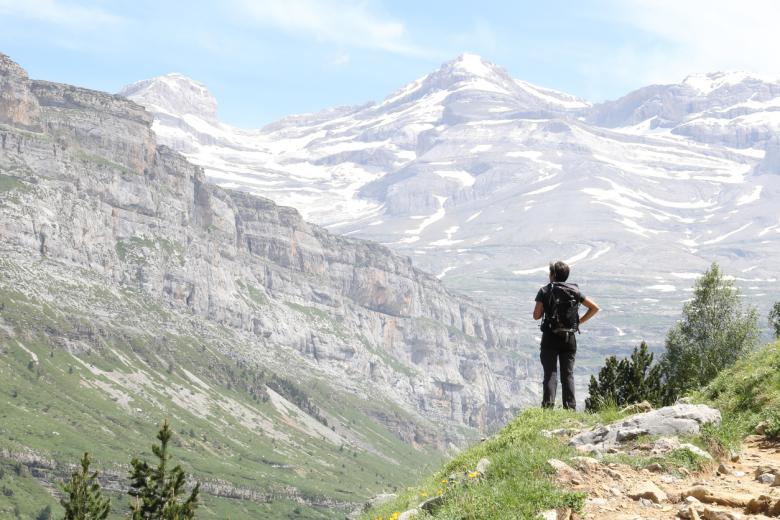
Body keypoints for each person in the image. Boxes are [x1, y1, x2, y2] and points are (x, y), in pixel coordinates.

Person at [533, 260, 599, 409]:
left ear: (553, 274)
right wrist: (578, 323)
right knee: (567, 375)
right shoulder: (575, 291)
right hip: (569, 339)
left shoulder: (544, 291)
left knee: (550, 374)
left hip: (550, 338)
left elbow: (536, 316)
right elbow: (594, 308)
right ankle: (570, 409)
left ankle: (548, 408)